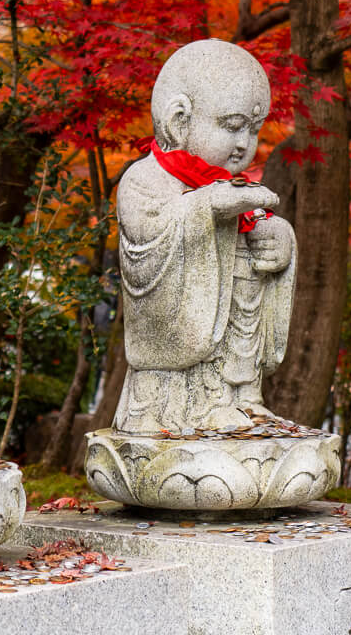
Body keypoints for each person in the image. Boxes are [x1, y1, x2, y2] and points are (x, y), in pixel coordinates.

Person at [113, 38, 295, 435]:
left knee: (251, 276)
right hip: (169, 376)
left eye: (253, 129)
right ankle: (184, 409)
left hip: (235, 361)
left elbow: (259, 230)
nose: (244, 143)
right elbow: (147, 243)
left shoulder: (232, 187)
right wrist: (208, 205)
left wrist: (278, 240)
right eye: (232, 127)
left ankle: (244, 398)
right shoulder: (144, 180)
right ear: (179, 121)